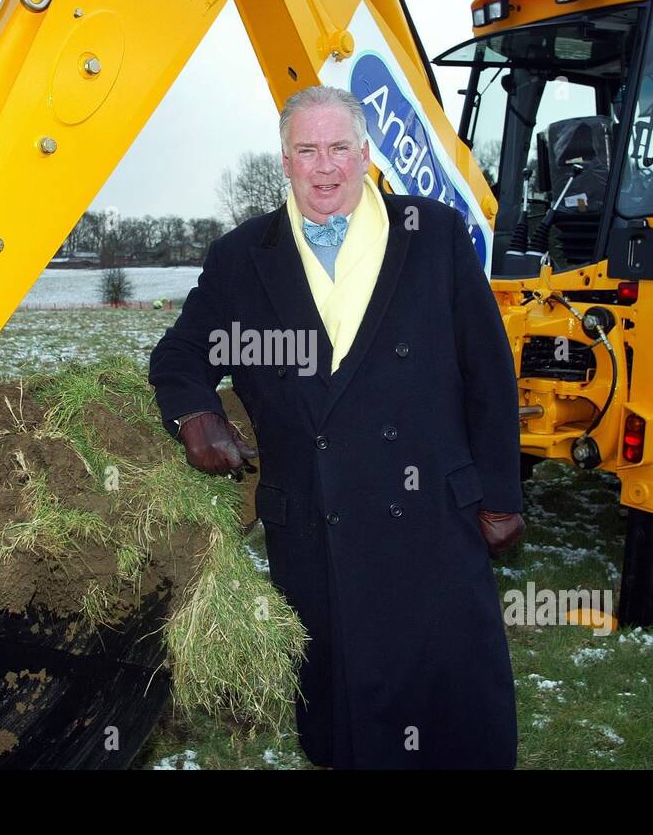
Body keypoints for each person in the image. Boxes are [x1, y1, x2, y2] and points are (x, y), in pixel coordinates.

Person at [148, 85, 525, 769]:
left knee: (455, 714)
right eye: (307, 150)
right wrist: (195, 412)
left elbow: (489, 375)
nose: (326, 167)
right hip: (319, 531)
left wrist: (500, 490)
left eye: (340, 149)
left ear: (366, 155)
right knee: (351, 724)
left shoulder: (434, 234)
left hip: (434, 517)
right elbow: (179, 355)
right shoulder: (241, 257)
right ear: (285, 160)